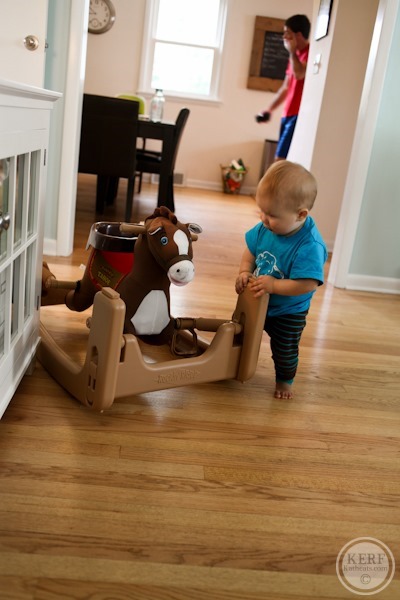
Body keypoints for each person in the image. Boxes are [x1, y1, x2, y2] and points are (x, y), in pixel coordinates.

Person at [235, 161, 327, 399]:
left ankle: (285, 381)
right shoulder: (265, 228)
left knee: (284, 349)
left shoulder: (309, 245)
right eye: (262, 211)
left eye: (272, 215)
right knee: (240, 334)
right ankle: (233, 365)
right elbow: (251, 251)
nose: (264, 219)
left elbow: (307, 284)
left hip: (289, 310)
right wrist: (244, 272)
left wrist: (274, 285)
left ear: (301, 215)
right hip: (257, 300)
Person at [256, 14, 311, 161]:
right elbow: (286, 87)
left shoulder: (309, 53)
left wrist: (292, 52)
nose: (284, 37)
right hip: (287, 114)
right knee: (280, 159)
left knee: (280, 161)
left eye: (287, 33)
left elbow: (299, 74)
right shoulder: (294, 57)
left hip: (298, 115)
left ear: (298, 35)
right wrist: (269, 109)